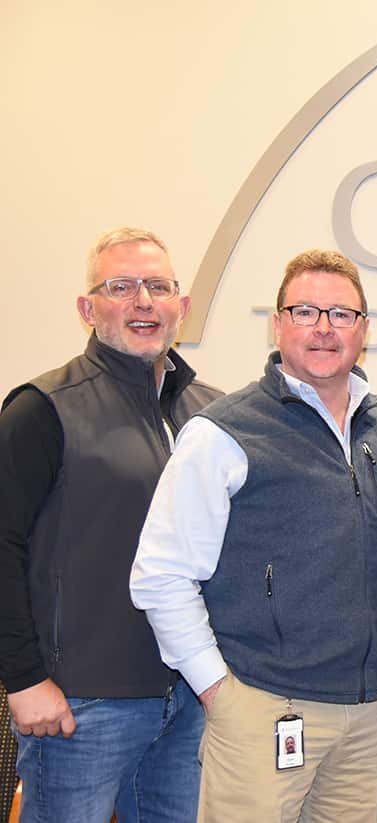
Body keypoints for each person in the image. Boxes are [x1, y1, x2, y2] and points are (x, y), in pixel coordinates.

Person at [130, 249, 377, 823]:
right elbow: (161, 573)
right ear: (278, 323)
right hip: (263, 709)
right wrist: (219, 692)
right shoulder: (223, 433)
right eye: (306, 311)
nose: (324, 328)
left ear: (365, 330)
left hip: (371, 711)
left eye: (341, 314)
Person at [0, 227, 220, 822]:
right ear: (86, 308)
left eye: (157, 286)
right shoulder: (41, 408)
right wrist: (23, 680)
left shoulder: (213, 414)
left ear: (183, 306)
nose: (142, 301)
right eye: (120, 287)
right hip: (81, 705)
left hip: (192, 700)